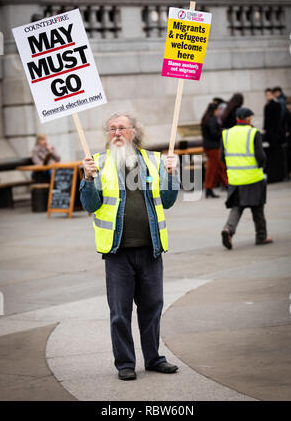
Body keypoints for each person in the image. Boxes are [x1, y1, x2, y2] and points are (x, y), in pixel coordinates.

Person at [80, 113, 180, 381]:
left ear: (133, 132)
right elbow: (90, 205)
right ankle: (125, 363)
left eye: (122, 128)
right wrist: (88, 179)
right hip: (117, 252)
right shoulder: (97, 163)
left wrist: (172, 173)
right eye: (112, 128)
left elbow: (168, 201)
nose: (116, 133)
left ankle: (154, 358)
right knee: (120, 312)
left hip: (150, 249)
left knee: (152, 308)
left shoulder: (154, 160)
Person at [221, 107, 273, 249]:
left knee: (237, 207)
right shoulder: (253, 132)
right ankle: (261, 236)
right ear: (249, 119)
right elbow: (261, 156)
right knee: (257, 208)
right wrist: (261, 166)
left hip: (235, 179)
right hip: (253, 178)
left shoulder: (226, 134)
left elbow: (222, 157)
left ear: (237, 119)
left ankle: (228, 229)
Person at [201, 103, 228, 198]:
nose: (218, 112)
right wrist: (223, 131)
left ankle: (226, 185)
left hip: (210, 146)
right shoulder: (212, 119)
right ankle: (209, 188)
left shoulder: (206, 118)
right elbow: (214, 133)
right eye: (217, 110)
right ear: (214, 110)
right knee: (213, 169)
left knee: (218, 167)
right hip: (213, 147)